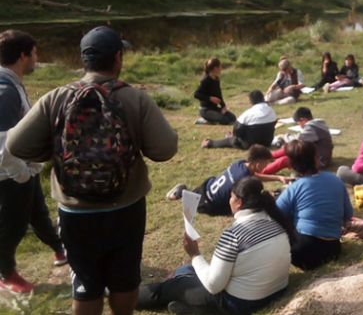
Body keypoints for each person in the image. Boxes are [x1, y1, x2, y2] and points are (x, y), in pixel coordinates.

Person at [6, 26, 178, 315]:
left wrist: (57, 151)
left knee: (85, 280)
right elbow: (165, 149)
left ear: (84, 60)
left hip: (75, 211)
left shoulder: (56, 98)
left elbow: (15, 144)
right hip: (126, 207)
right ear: (118, 58)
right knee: (124, 279)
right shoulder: (135, 99)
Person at [137, 177, 292, 315]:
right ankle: (192, 307)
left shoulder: (234, 235)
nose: (229, 201)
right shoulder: (276, 223)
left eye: (231, 197)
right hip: (275, 291)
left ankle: (123, 294)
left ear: (239, 202)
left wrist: (194, 254)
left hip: (241, 303)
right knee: (185, 270)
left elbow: (213, 286)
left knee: (173, 287)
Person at [0, 30, 67, 294]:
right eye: (35, 53)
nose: (37, 58)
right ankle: (6, 273)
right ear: (23, 55)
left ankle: (60, 249)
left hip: (23, 170)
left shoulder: (11, 82)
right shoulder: (5, 91)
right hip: (10, 174)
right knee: (12, 225)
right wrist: (19, 173)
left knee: (38, 211)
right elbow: (4, 142)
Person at [276, 140, 353, 270]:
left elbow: (276, 214)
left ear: (292, 166)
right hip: (333, 250)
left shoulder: (294, 188)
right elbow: (348, 215)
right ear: (316, 159)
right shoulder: (337, 181)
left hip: (301, 252)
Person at [166, 145, 290, 216]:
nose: (265, 167)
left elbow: (254, 176)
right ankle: (179, 195)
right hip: (210, 205)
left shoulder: (241, 164)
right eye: (265, 164)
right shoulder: (244, 179)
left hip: (206, 187)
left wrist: (278, 177)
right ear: (257, 165)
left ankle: (182, 193)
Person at [261, 107, 333, 175]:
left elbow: (298, 139)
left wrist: (284, 136)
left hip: (319, 162)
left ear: (303, 120)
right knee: (287, 149)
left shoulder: (312, 128)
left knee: (284, 160)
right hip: (315, 156)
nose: (300, 126)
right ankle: (264, 156)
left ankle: (260, 172)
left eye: (299, 123)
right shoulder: (317, 125)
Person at [201, 90, 277, 150]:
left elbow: (237, 131)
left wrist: (234, 136)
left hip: (248, 144)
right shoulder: (272, 111)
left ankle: (209, 143)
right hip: (267, 142)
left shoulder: (247, 114)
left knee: (229, 141)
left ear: (250, 103)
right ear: (263, 99)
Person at [194, 58, 237, 125]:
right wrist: (210, 98)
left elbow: (219, 94)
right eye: (220, 66)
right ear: (215, 68)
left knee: (232, 118)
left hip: (214, 108)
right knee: (225, 120)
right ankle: (204, 121)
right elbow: (196, 94)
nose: (221, 68)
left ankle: (211, 119)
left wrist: (223, 106)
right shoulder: (206, 80)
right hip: (206, 110)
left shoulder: (216, 79)